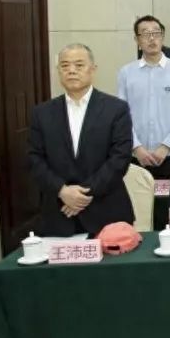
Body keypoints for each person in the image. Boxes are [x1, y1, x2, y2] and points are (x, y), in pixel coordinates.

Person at [30, 44, 134, 237]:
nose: (71, 70)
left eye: (79, 65)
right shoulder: (41, 113)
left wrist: (81, 195)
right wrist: (62, 191)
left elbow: (120, 158)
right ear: (58, 71)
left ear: (93, 69)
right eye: (65, 65)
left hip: (106, 212)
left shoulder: (116, 109)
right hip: (58, 213)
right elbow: (34, 159)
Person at [117, 15, 170, 181]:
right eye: (145, 33)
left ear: (162, 37)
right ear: (137, 40)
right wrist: (136, 147)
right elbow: (121, 115)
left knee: (169, 197)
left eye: (156, 33)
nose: (152, 38)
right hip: (136, 156)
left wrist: (166, 146)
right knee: (138, 197)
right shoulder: (126, 72)